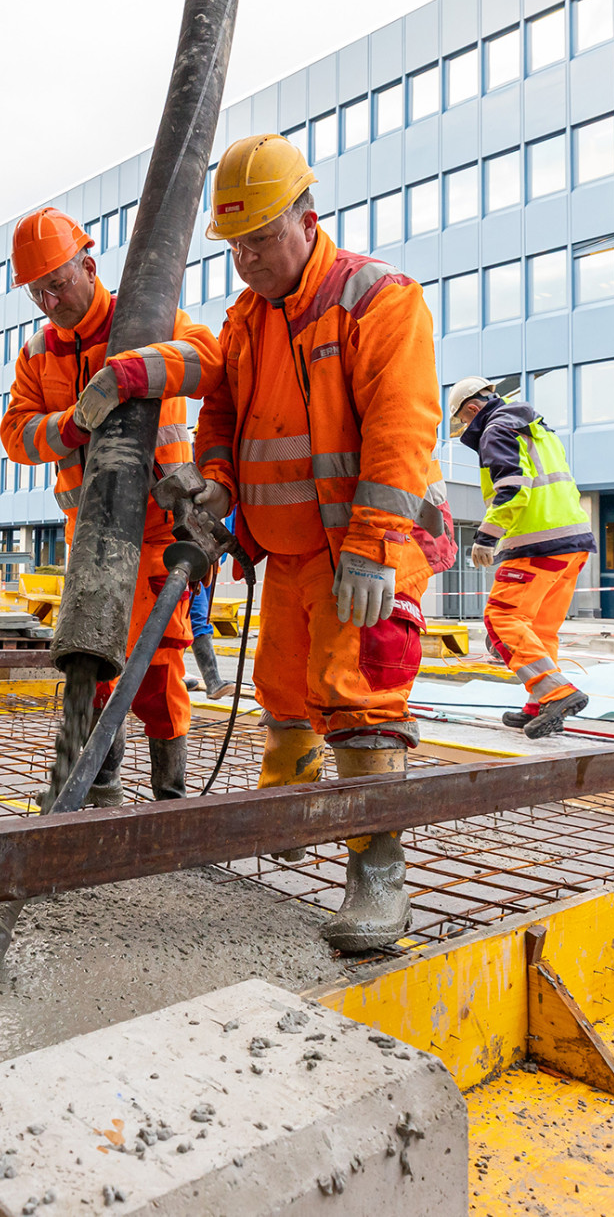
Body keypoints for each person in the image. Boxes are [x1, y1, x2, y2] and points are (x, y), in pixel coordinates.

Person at [190, 133, 452, 952]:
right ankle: (290, 805)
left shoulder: (378, 297)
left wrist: (375, 543)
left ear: (309, 218)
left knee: (361, 700)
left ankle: (379, 878)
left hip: (362, 552)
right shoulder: (247, 316)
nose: (247, 259)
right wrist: (214, 487)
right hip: (291, 553)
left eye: (262, 239)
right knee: (283, 690)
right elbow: (225, 420)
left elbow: (402, 426)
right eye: (235, 245)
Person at [0, 206, 220, 804]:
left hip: (153, 530)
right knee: (90, 664)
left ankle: (169, 795)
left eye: (58, 283)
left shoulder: (144, 319)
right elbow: (15, 434)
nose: (49, 300)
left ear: (88, 266)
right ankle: (98, 786)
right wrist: (70, 425)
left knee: (158, 667)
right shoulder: (40, 351)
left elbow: (209, 360)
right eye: (37, 291)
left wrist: (136, 370)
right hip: (87, 537)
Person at [446, 377, 597, 739]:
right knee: (540, 629)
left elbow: (513, 489)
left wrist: (486, 537)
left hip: (536, 543)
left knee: (502, 617)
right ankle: (541, 703)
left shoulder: (495, 430)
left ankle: (557, 692)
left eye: (465, 423)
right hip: (571, 541)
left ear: (470, 410)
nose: (467, 430)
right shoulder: (536, 429)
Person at [185, 581, 237, 699]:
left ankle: (172, 679)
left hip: (208, 569)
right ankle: (212, 681)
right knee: (197, 618)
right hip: (190, 570)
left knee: (189, 620)